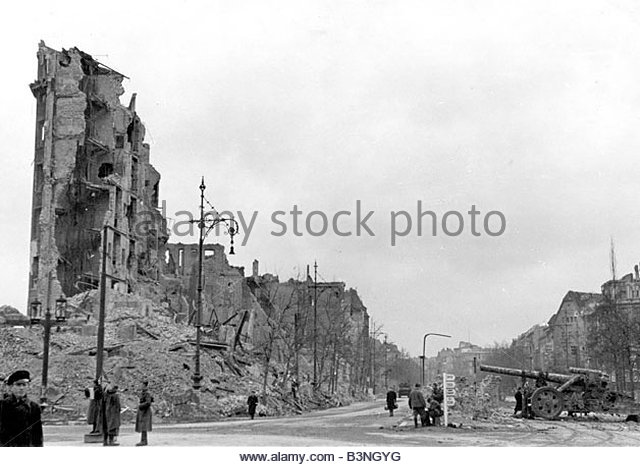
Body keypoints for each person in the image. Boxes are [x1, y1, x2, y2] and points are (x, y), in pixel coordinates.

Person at [0, 370, 43, 447]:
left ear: (28, 386)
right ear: (11, 387)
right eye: (18, 385)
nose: (21, 388)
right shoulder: (2, 405)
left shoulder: (34, 407)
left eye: (24, 385)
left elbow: (37, 434)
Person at [135, 381, 153, 446]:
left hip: (145, 412)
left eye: (142, 385)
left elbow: (148, 403)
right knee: (142, 426)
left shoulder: (147, 393)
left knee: (144, 426)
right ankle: (143, 440)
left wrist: (140, 406)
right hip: (143, 411)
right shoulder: (143, 393)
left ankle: (144, 441)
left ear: (145, 386)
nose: (140, 386)